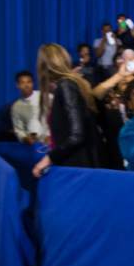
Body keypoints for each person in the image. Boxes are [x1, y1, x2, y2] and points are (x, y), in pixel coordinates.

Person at [31, 44, 103, 178]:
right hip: (77, 168)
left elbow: (77, 135)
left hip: (77, 170)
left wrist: (49, 158)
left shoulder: (66, 86)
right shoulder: (70, 85)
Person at [11, 70, 49, 145]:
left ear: (33, 83)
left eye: (29, 82)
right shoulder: (16, 107)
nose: (26, 85)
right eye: (22, 82)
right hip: (33, 146)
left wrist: (50, 136)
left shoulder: (45, 97)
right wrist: (25, 138)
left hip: (51, 142)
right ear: (18, 85)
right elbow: (19, 130)